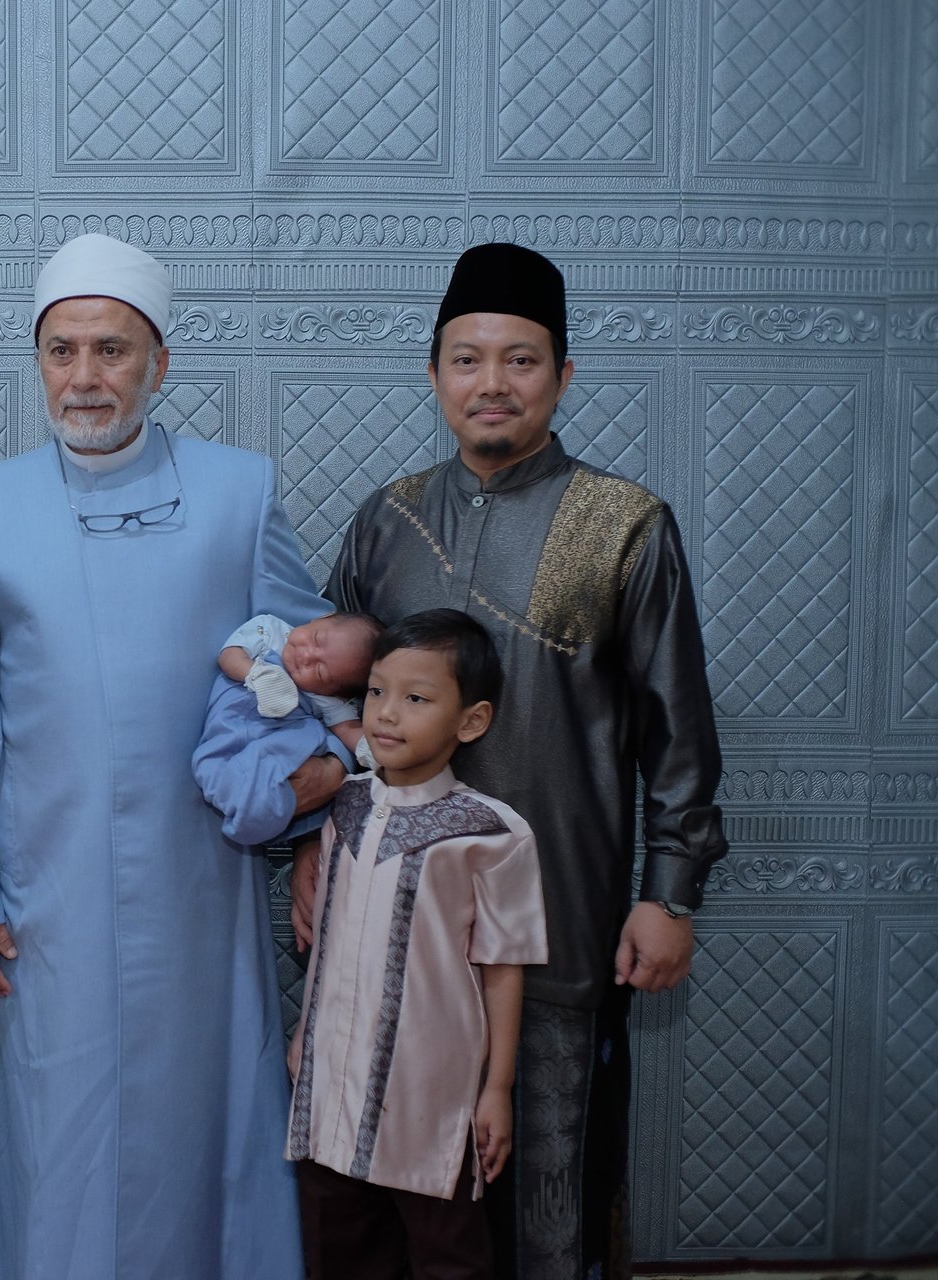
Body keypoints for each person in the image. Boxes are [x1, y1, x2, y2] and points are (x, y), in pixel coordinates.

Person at [0, 233, 345, 1278]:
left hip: (199, 878)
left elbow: (311, 669)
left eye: (112, 349)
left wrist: (308, 805)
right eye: (63, 351)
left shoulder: (241, 491)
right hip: (44, 887)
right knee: (56, 1135)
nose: (86, 376)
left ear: (160, 362)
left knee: (201, 1117)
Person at [323, 242, 728, 1280]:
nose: (491, 383)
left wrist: (668, 892)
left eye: (521, 360)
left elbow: (675, 724)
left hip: (560, 920)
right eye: (467, 359)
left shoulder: (625, 522)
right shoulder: (389, 519)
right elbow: (333, 710)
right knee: (395, 1200)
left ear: (562, 375)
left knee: (551, 1191)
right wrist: (315, 861)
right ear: (433, 374)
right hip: (393, 931)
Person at [286, 609, 547, 1280]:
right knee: (340, 1248)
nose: (387, 714)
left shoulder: (493, 834)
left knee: (448, 1255)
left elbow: (503, 967)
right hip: (331, 1084)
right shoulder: (342, 807)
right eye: (375, 692)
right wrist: (304, 1038)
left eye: (416, 698)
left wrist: (497, 1087)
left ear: (471, 722)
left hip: (434, 1093)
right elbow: (331, 941)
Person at [194, 609, 381, 844]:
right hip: (239, 713)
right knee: (225, 756)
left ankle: (253, 801)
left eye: (320, 671)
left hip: (275, 735)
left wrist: (372, 751)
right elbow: (228, 655)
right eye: (316, 639)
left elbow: (347, 729)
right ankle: (239, 791)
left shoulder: (326, 698)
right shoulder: (270, 630)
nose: (306, 655)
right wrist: (255, 674)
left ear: (334, 691)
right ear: (323, 618)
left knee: (307, 737)